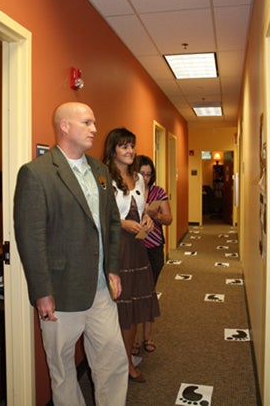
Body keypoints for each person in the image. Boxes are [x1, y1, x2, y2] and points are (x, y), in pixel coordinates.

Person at [13, 102, 128, 406]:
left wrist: (112, 268)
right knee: (63, 371)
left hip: (102, 290)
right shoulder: (36, 174)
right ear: (64, 126)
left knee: (113, 361)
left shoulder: (101, 170)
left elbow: (112, 223)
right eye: (87, 123)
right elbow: (30, 238)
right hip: (60, 293)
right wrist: (42, 292)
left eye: (94, 122)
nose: (94, 129)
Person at [102, 128, 160, 383]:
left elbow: (142, 207)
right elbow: (100, 214)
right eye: (124, 146)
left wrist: (146, 217)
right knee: (119, 308)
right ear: (113, 149)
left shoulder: (138, 178)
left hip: (137, 248)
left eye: (132, 146)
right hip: (117, 247)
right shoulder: (103, 177)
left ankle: (127, 362)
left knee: (135, 306)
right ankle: (116, 364)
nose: (130, 151)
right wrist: (122, 224)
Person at [133, 154, 172, 354]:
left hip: (154, 248)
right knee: (134, 294)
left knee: (148, 291)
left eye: (149, 174)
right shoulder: (128, 192)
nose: (146, 178)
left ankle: (148, 336)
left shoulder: (158, 192)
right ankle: (132, 338)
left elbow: (168, 219)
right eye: (142, 173)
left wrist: (156, 215)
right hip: (134, 248)